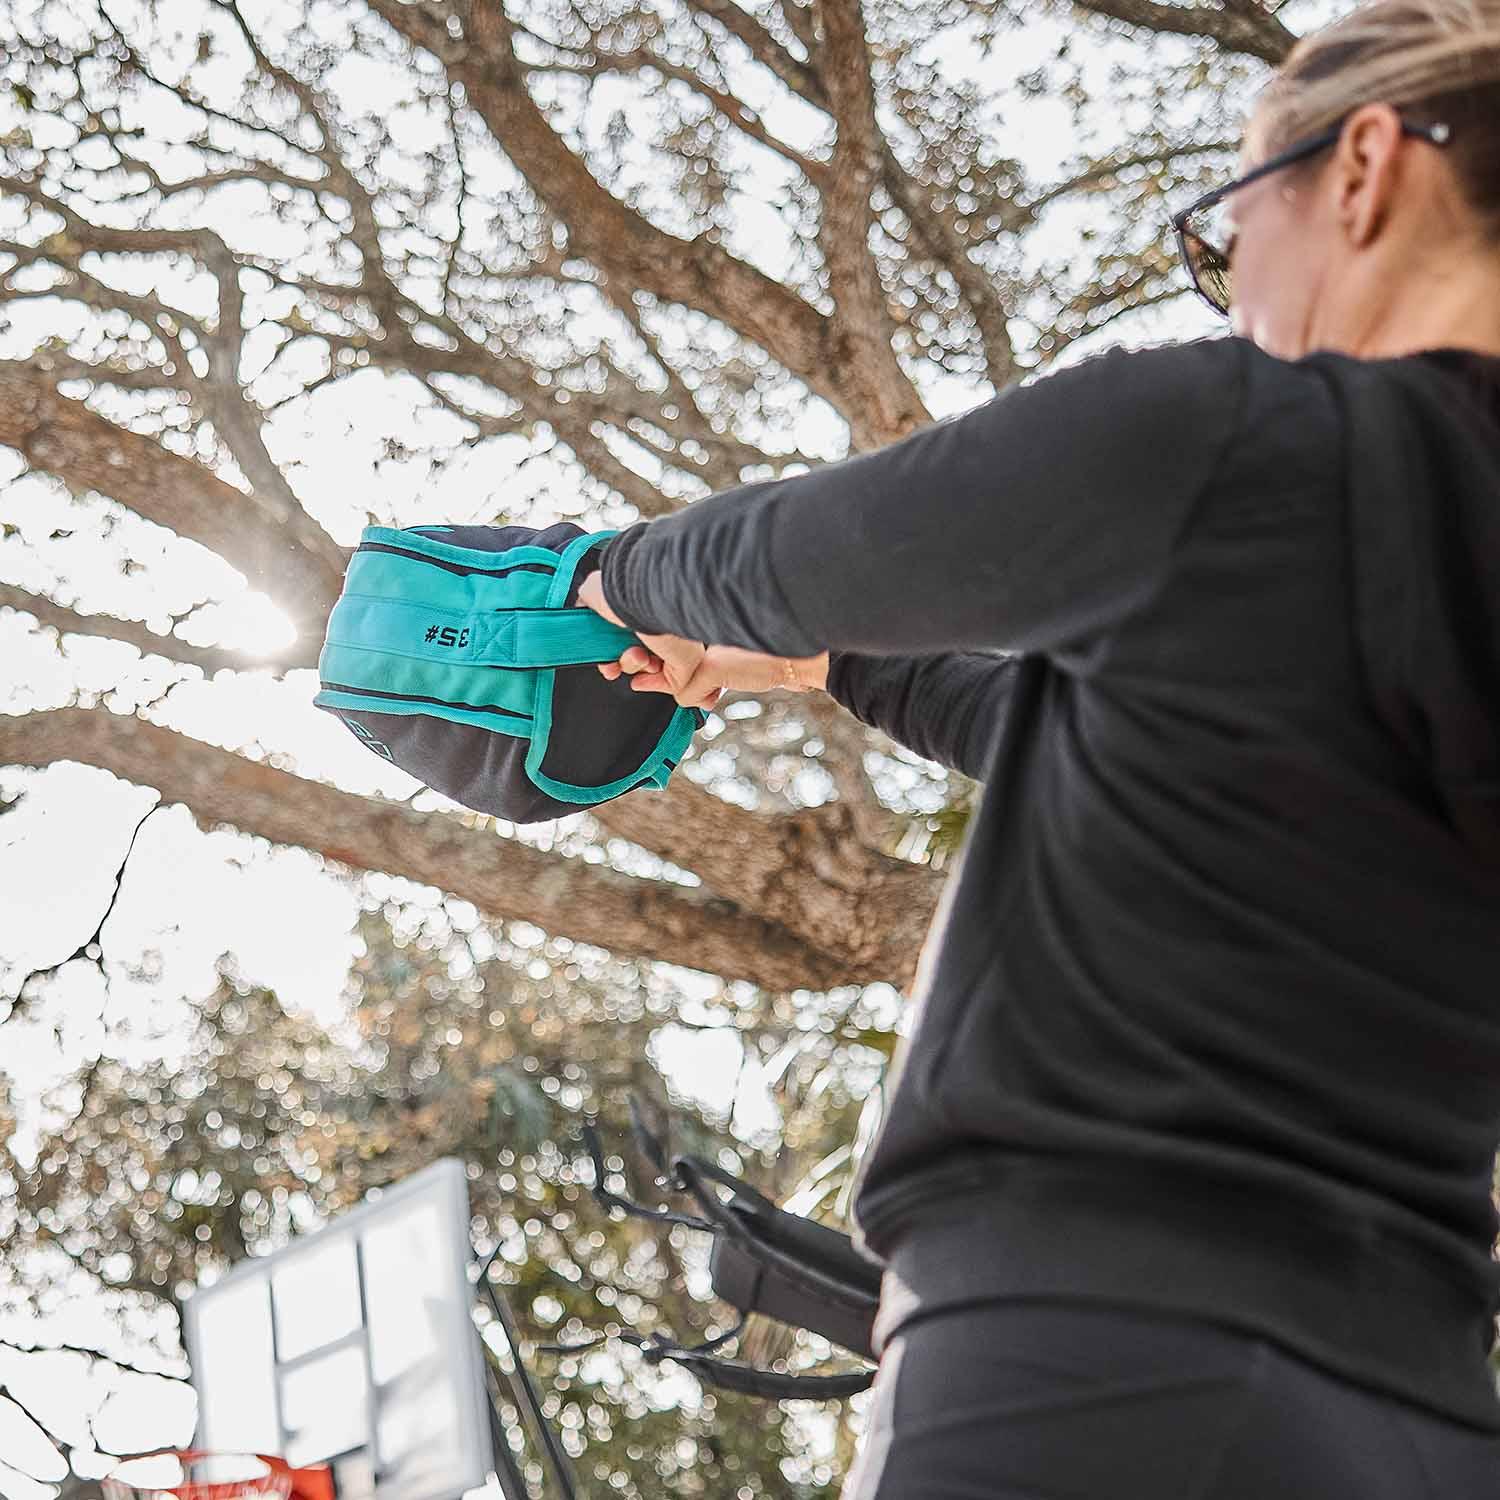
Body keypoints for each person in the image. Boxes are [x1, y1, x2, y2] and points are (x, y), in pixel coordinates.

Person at [576, 0, 1500, 1492]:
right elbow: (1150, 748)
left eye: (1225, 229)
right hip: (1420, 1415)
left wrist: (595, 580)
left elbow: (809, 548)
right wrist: (837, 670)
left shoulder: (1236, 437)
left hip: (1084, 1359)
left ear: (1363, 167)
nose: (1227, 292)